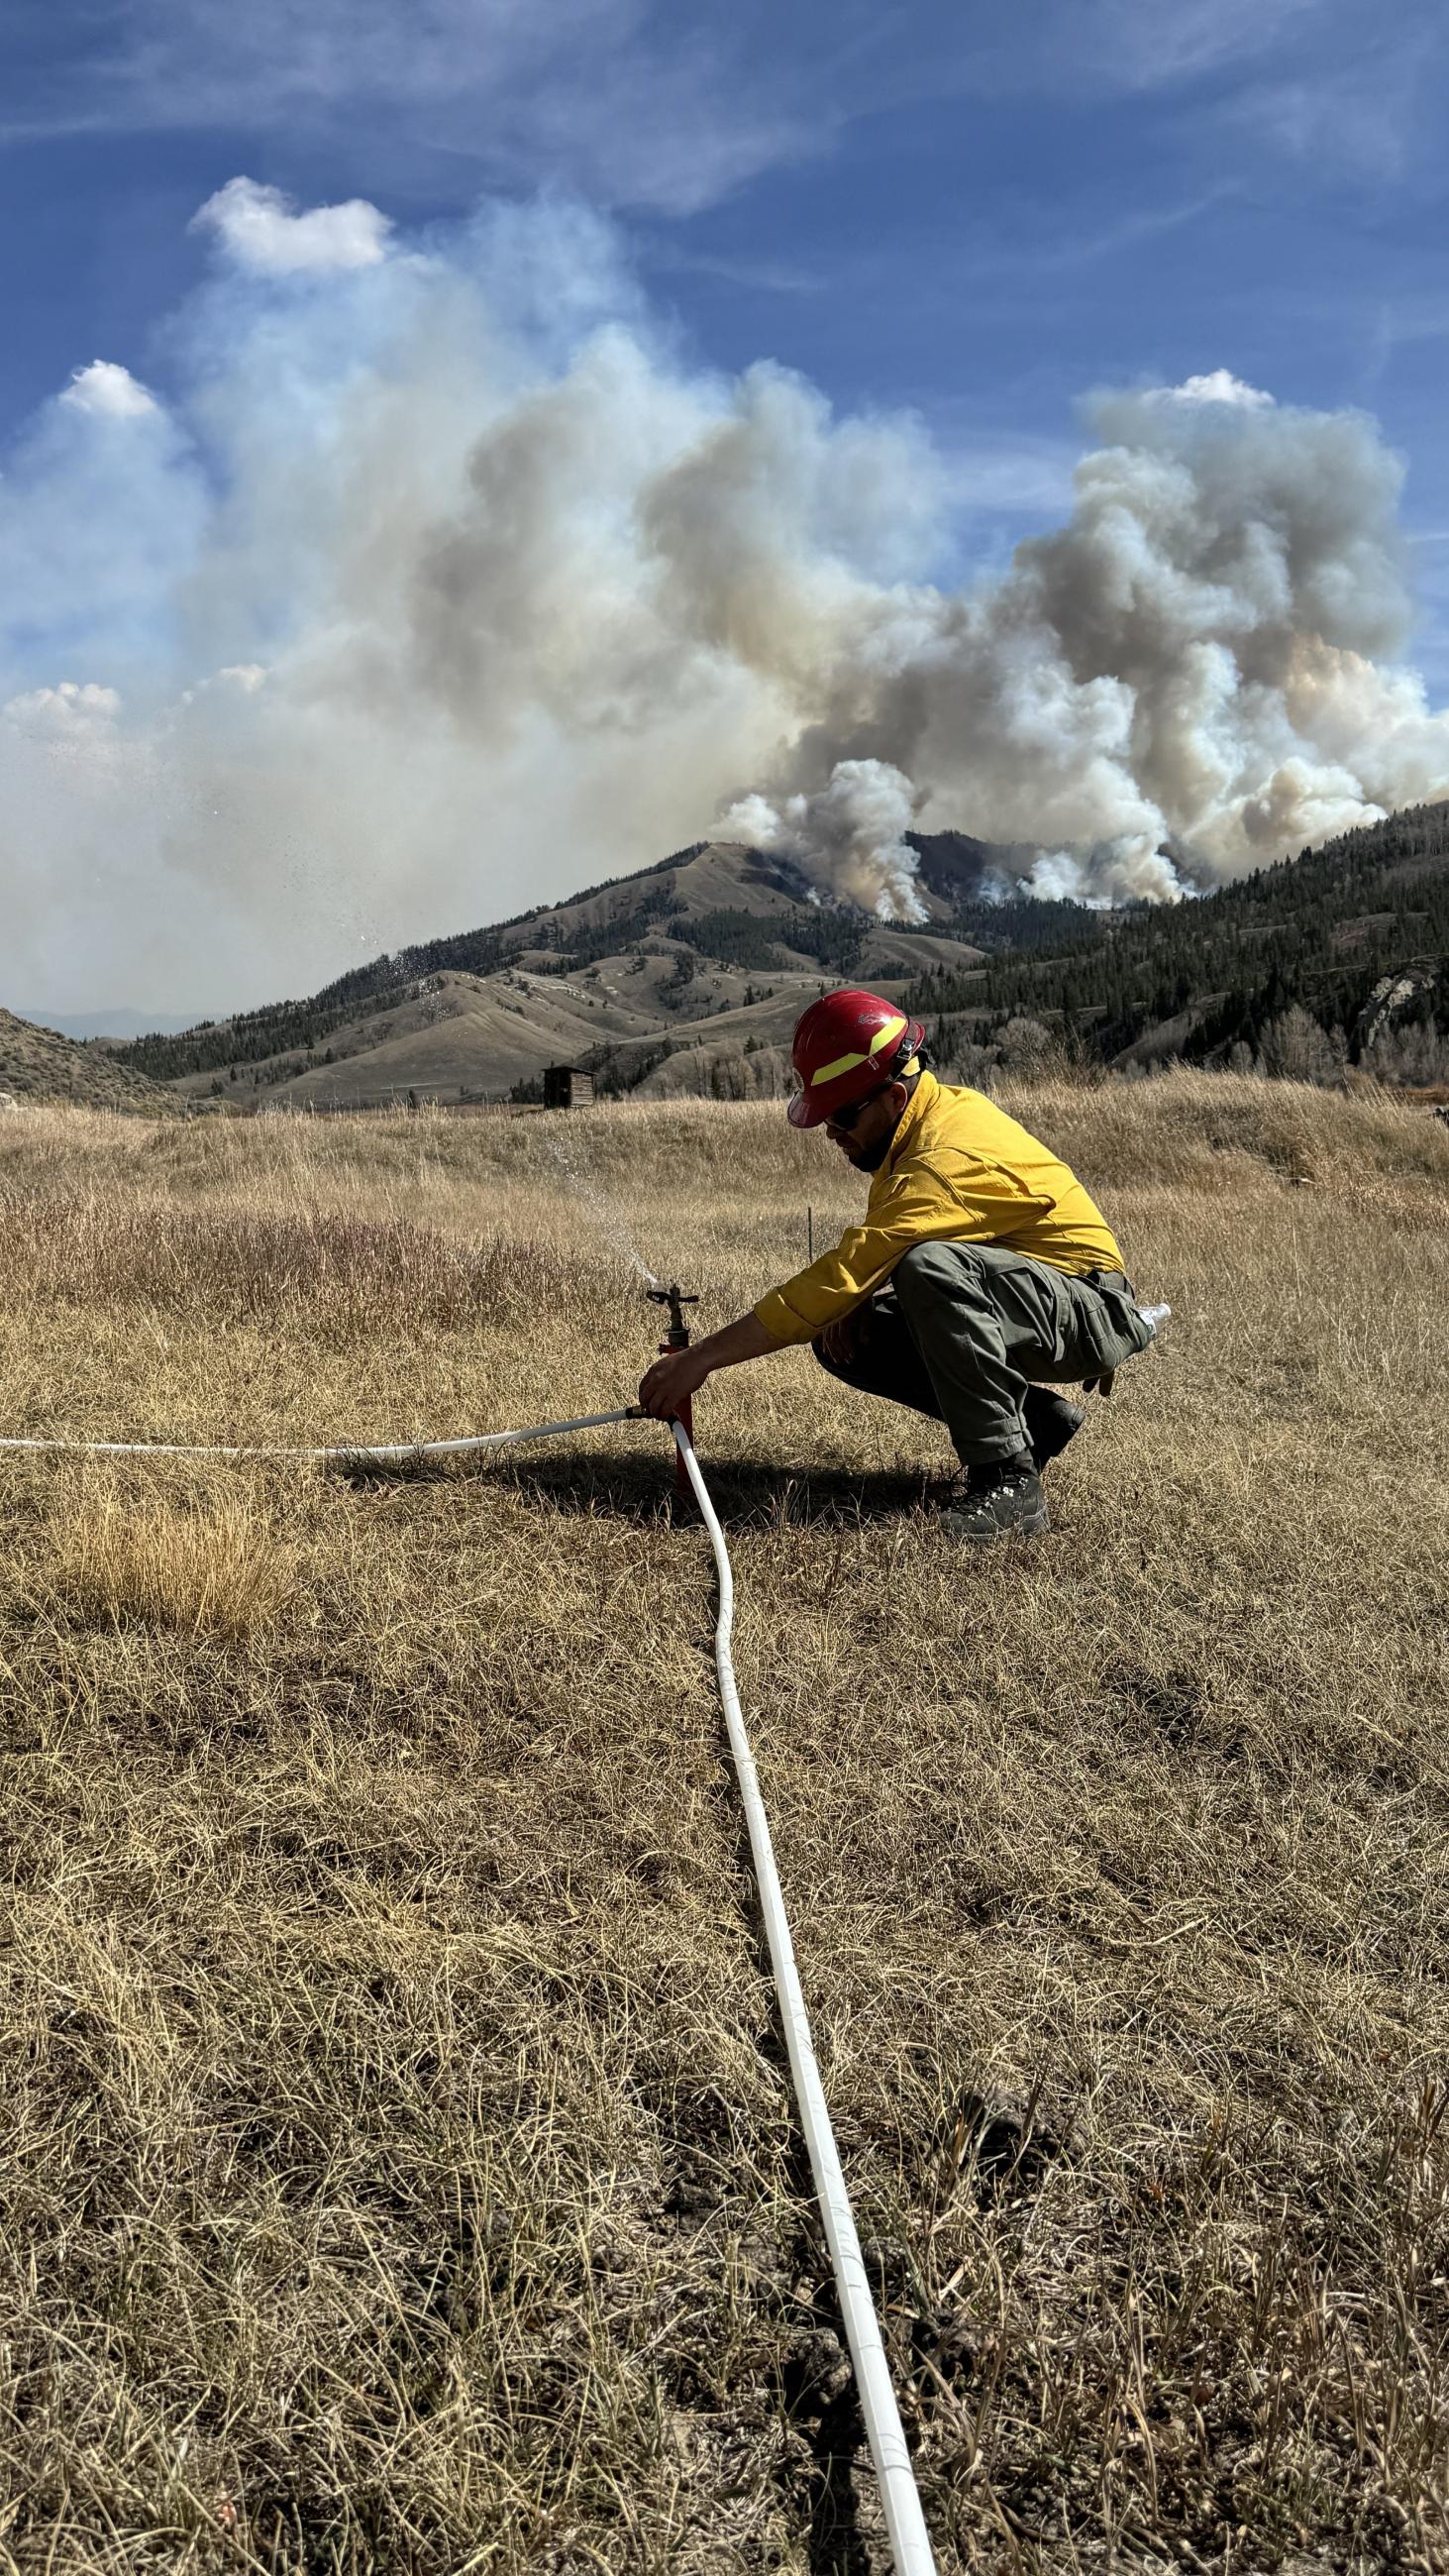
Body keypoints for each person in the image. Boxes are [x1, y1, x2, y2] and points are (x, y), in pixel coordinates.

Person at [637, 987, 1155, 1543]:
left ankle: (1008, 1481)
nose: (832, 1132)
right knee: (852, 1330)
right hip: (1047, 1294)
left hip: (1087, 1304)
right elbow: (861, 1274)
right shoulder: (920, 1129)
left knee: (928, 1270)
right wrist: (851, 1303)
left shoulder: (943, 1159)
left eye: (843, 1115)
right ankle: (1033, 1423)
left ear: (894, 1096)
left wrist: (702, 1359)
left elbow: (847, 1270)